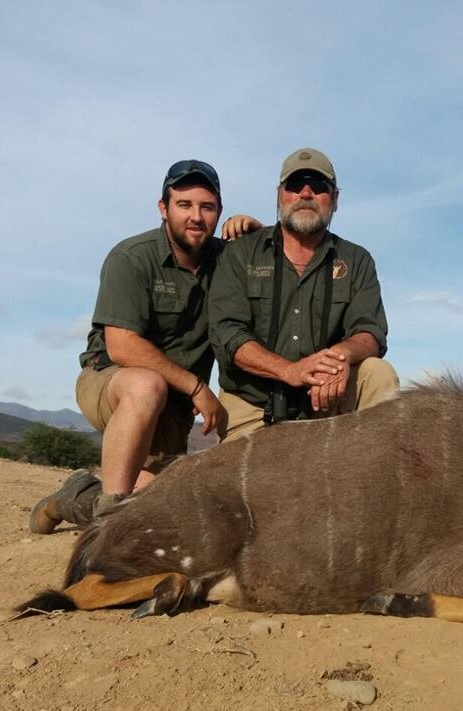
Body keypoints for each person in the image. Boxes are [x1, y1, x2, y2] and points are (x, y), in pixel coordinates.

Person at [29, 160, 232, 533]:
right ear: (163, 208)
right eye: (184, 205)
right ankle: (108, 525)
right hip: (113, 381)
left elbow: (273, 256)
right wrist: (197, 387)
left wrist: (254, 228)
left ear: (219, 212)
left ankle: (76, 494)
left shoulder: (227, 260)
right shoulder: (131, 257)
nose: (196, 216)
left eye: (207, 207)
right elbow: (122, 346)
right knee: (146, 385)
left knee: (168, 499)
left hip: (173, 408)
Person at [210, 148, 399, 440]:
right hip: (254, 402)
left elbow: (370, 331)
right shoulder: (241, 252)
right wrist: (289, 371)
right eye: (295, 185)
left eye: (319, 186)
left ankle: (372, 477)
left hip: (327, 398)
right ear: (280, 195)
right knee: (247, 482)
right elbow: (227, 334)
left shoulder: (357, 259)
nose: (306, 193)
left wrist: (337, 359)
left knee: (378, 373)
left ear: (335, 200)